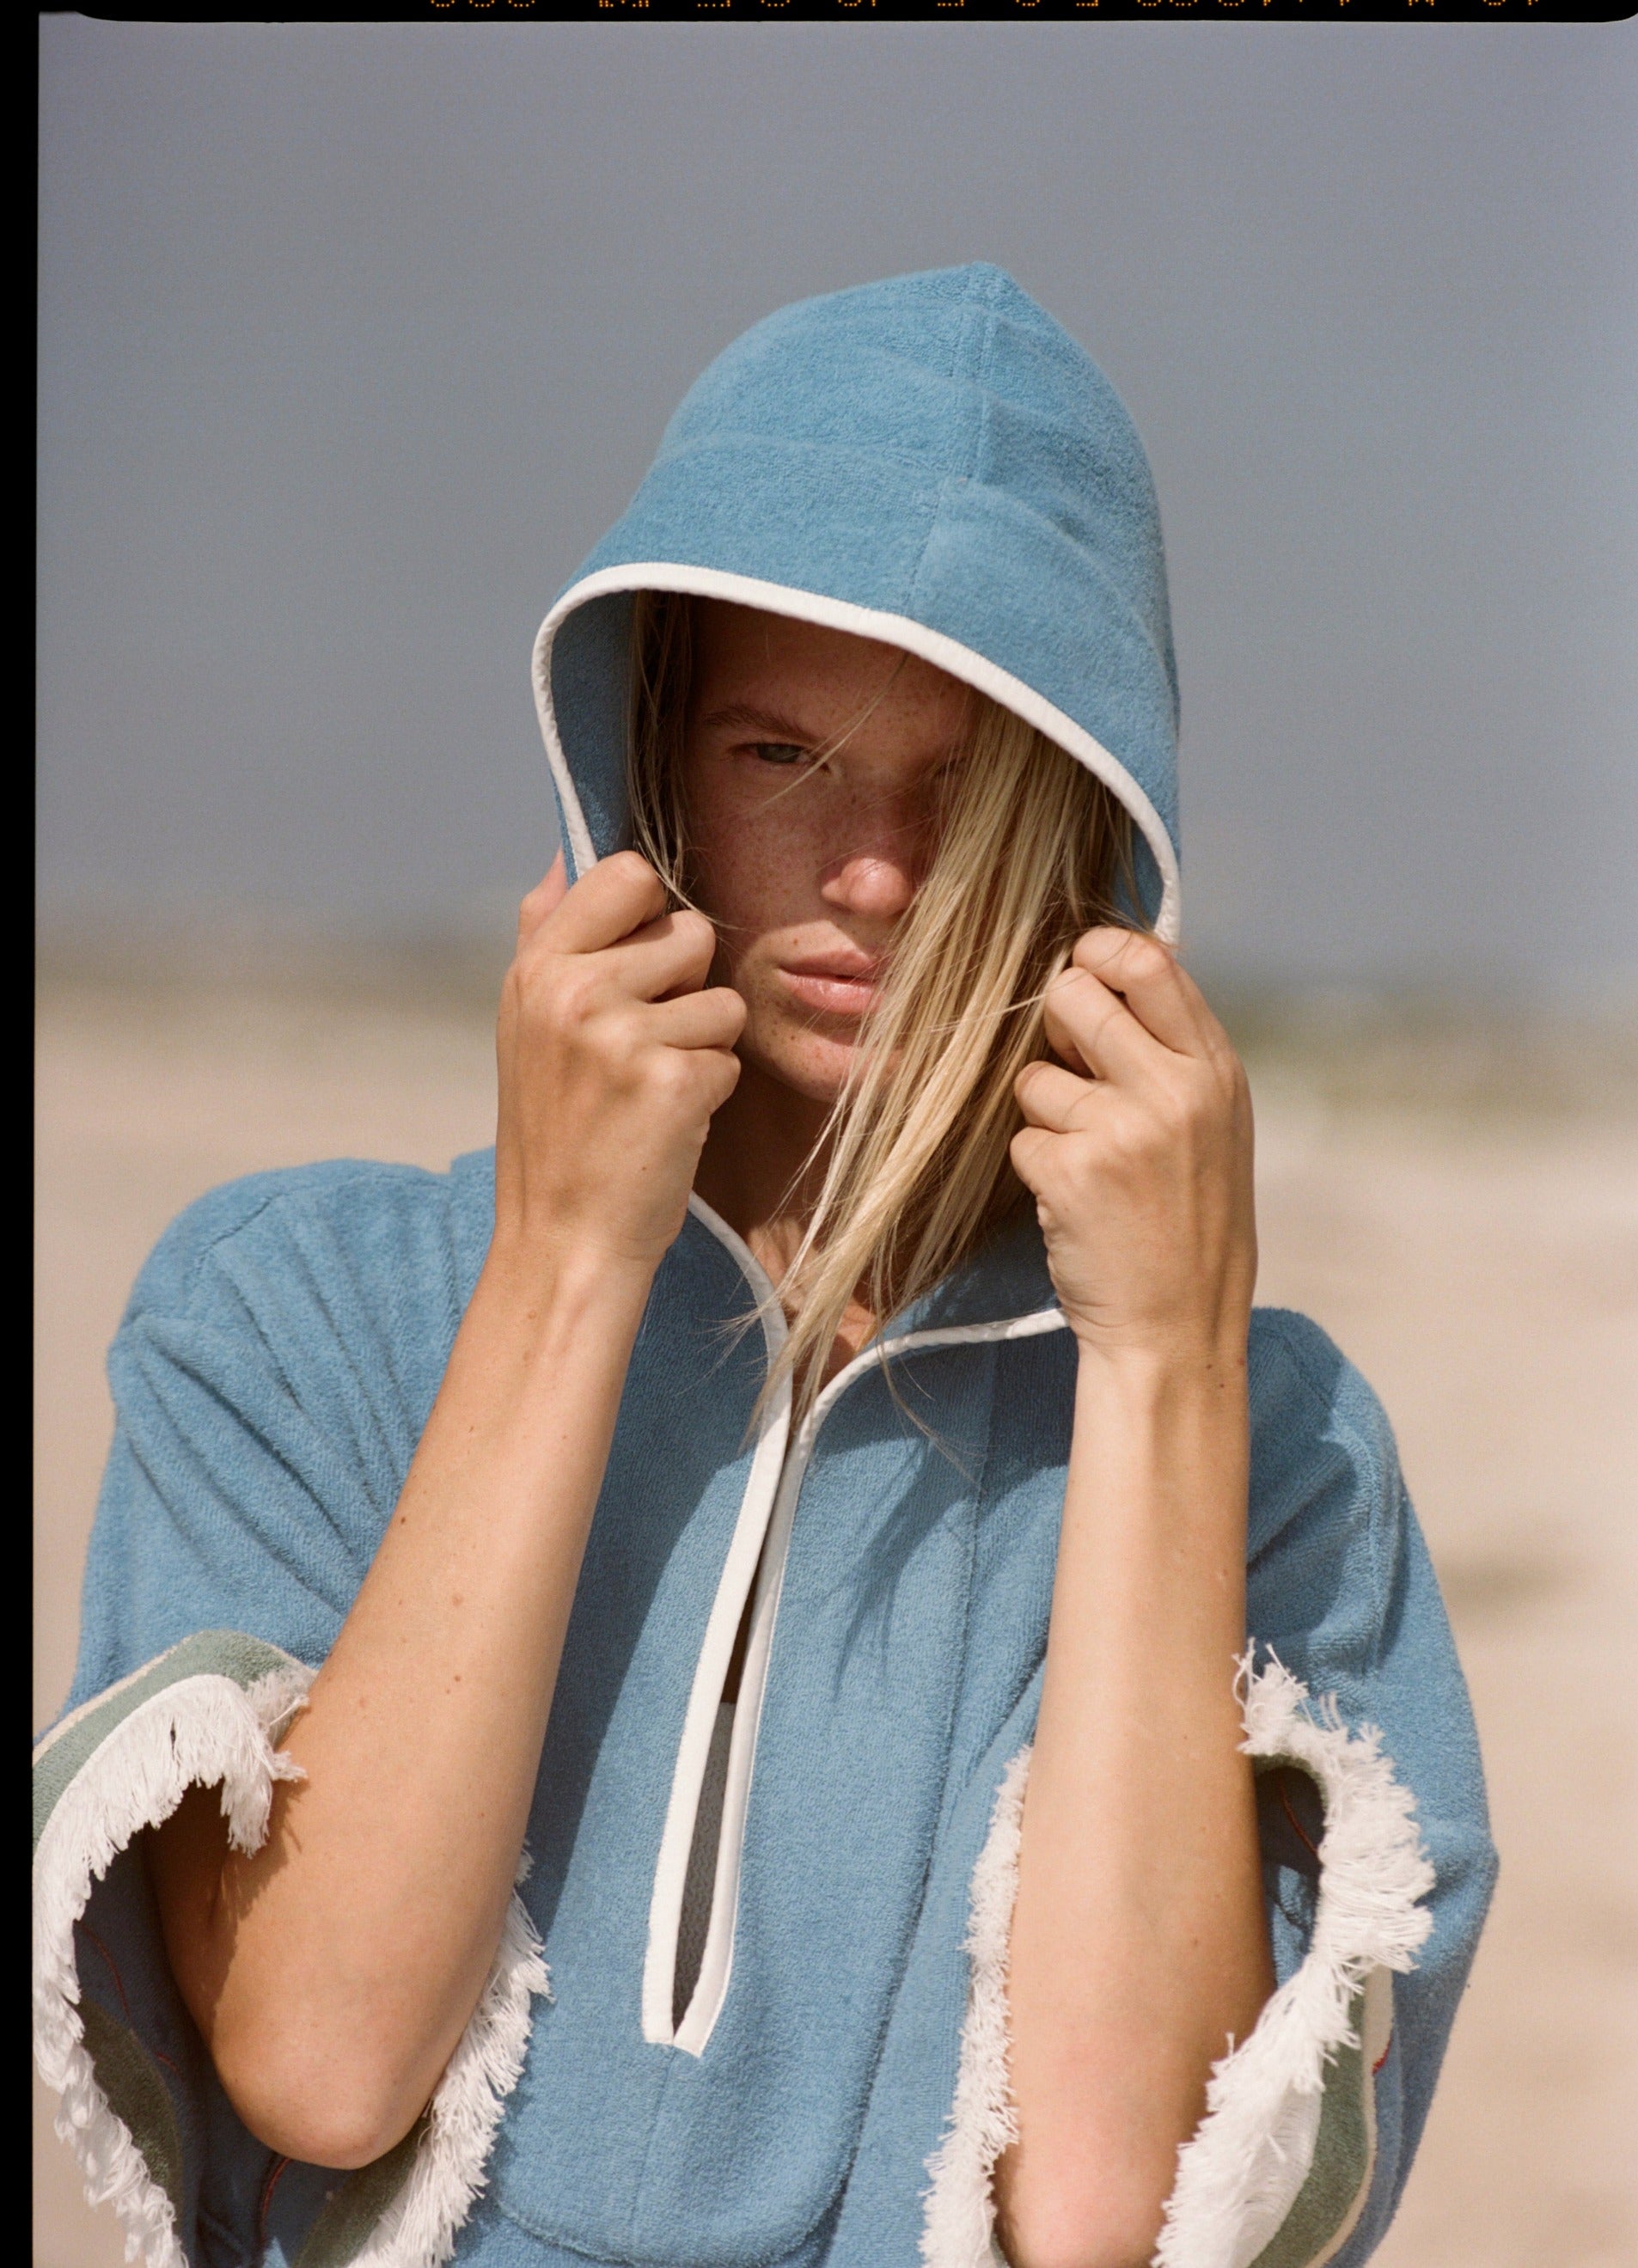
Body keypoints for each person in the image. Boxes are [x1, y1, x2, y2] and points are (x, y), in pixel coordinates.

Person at [33, 264, 1494, 2268]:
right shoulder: (294, 1313)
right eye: (779, 756)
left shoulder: (1284, 1456)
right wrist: (564, 1261)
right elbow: (324, 2063)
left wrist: (1164, 1374)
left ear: (1083, 822)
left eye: (960, 785)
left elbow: (1106, 2210)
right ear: (651, 761)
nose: (873, 872)